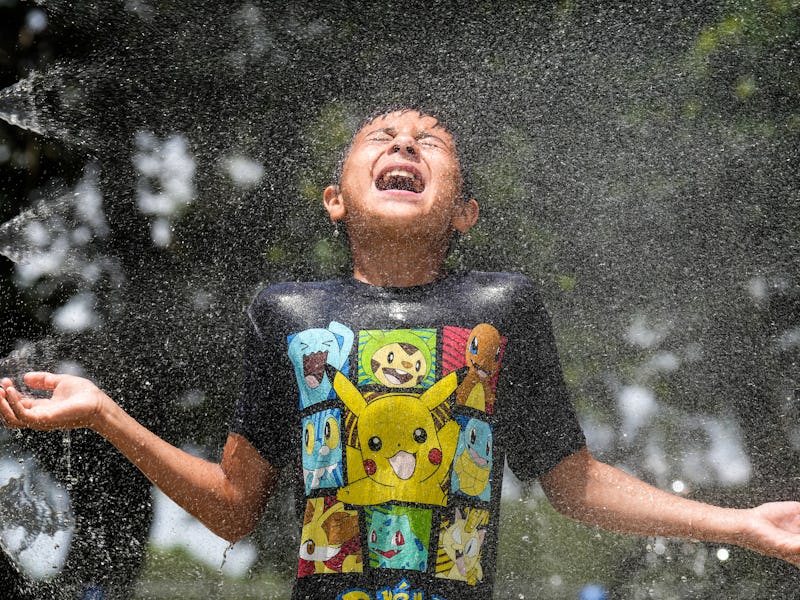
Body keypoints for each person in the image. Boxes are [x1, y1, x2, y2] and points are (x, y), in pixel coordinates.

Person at [2, 108, 800, 599]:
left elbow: (575, 483)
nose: (406, 144)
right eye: (382, 137)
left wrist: (741, 524)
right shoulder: (286, 313)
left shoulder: (502, 308)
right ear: (336, 199)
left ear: (464, 212)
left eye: (431, 142)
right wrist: (104, 414)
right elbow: (233, 508)